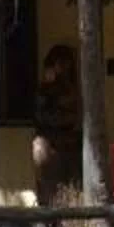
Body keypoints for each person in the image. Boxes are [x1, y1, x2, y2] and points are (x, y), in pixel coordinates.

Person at [31, 43, 80, 207]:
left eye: (66, 64)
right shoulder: (45, 89)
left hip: (68, 140)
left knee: (69, 183)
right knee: (49, 184)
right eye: (60, 64)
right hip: (49, 140)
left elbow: (74, 111)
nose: (63, 68)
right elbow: (41, 114)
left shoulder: (71, 86)